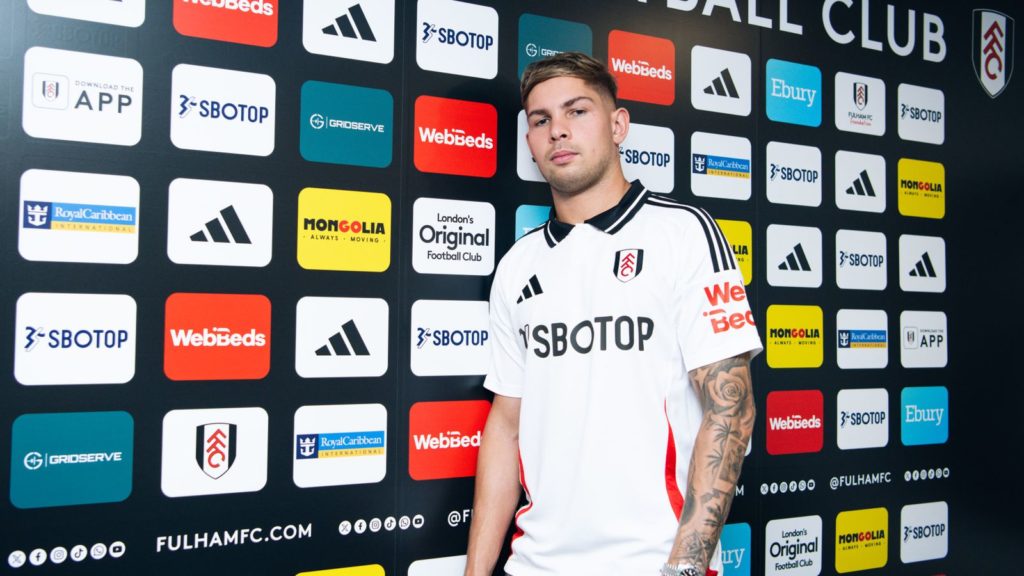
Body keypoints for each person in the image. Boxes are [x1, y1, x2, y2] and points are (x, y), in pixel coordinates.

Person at [464, 52, 762, 576]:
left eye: (577, 111)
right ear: (529, 141)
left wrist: (685, 568)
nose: (558, 130)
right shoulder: (517, 265)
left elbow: (730, 408)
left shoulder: (683, 232)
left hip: (651, 564)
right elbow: (506, 427)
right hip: (533, 565)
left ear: (618, 124)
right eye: (541, 120)